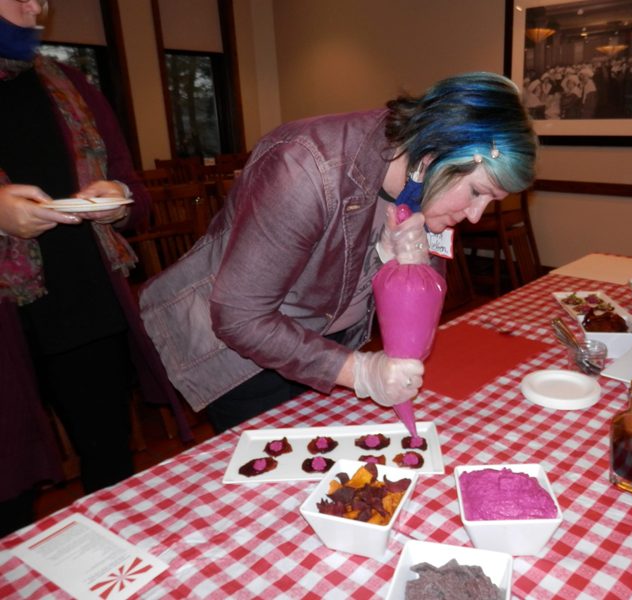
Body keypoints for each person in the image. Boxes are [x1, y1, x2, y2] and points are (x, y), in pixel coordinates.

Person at [139, 72, 538, 433]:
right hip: (241, 358)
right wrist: (359, 371)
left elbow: (422, 294)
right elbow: (240, 317)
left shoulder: (423, 173)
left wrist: (408, 265)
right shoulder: (303, 167)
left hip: (328, 339)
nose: (474, 216)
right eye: (477, 192)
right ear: (435, 156)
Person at [0, 0, 178, 536]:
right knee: (8, 486)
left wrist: (120, 198)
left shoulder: (69, 82)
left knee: (110, 467)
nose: (39, 6)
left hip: (85, 307)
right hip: (9, 326)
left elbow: (132, 187)